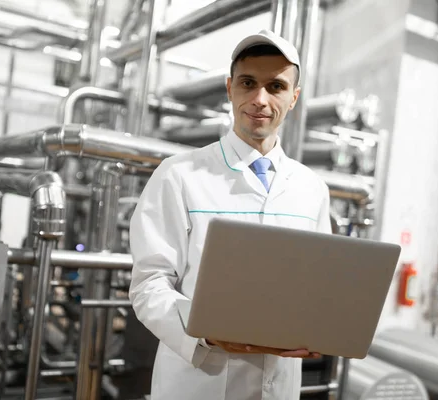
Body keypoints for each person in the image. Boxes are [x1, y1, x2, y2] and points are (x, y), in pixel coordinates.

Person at [128, 29, 332, 400]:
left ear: (294, 97)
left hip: (279, 385)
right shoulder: (179, 175)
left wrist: (319, 328)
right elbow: (148, 285)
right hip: (198, 382)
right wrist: (205, 331)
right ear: (229, 88)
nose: (259, 99)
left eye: (276, 87)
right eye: (248, 83)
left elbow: (317, 286)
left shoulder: (312, 188)